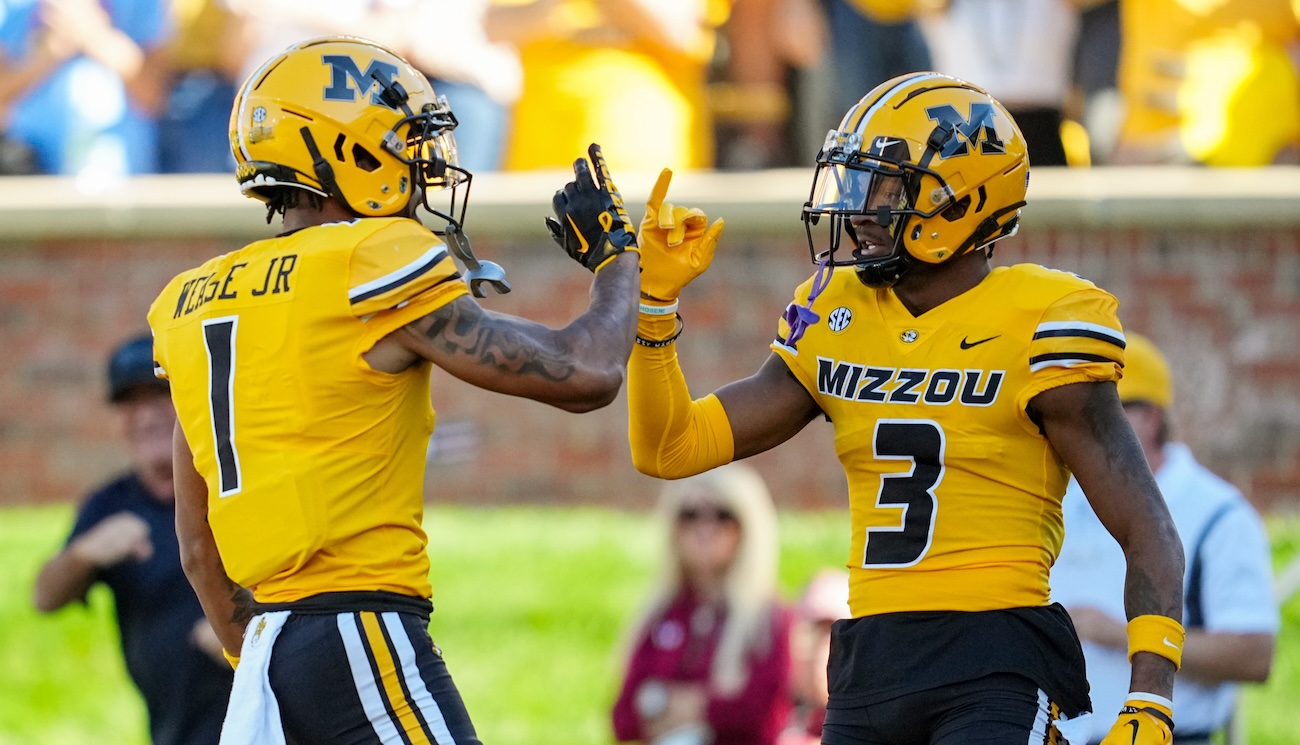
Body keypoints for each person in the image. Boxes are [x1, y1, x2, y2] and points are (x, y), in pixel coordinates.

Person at [624, 72, 1187, 744]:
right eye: (857, 183)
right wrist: (654, 307)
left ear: (961, 200)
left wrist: (1150, 700)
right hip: (870, 663)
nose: (860, 209)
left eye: (886, 188)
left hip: (994, 656)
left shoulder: (1041, 319)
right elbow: (671, 447)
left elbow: (1147, 525)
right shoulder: (838, 311)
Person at [146, 36, 646, 744]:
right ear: (342, 149)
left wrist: (269, 658)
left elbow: (198, 548)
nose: (421, 171)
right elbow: (588, 372)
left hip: (267, 654)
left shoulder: (187, 299)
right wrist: (619, 261)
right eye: (404, 146)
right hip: (360, 624)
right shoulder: (370, 257)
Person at [1053, 333, 1279, 744]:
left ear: (1151, 419)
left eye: (1100, 412)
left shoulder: (1219, 514)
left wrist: (1125, 633)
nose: (1079, 426)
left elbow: (1253, 655)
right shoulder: (1061, 498)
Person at [33, 335, 233, 745]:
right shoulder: (110, 504)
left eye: (159, 397)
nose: (147, 416)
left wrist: (240, 633)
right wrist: (84, 553)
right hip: (174, 729)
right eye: (131, 403)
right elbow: (45, 598)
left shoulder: (228, 486)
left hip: (259, 715)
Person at [611, 463, 792, 745]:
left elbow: (763, 716)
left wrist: (683, 704)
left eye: (723, 515)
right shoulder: (660, 613)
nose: (705, 528)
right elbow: (623, 720)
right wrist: (704, 704)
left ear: (748, 525)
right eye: (690, 515)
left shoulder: (769, 618)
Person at [0, 0, 172, 178]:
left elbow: (154, 96)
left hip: (118, 173)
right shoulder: (13, 5)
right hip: (29, 167)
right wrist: (51, 52)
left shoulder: (142, 4)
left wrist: (95, 35)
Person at [778, 569, 850, 745]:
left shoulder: (864, 725)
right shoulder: (773, 713)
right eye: (810, 634)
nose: (817, 652)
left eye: (830, 637)